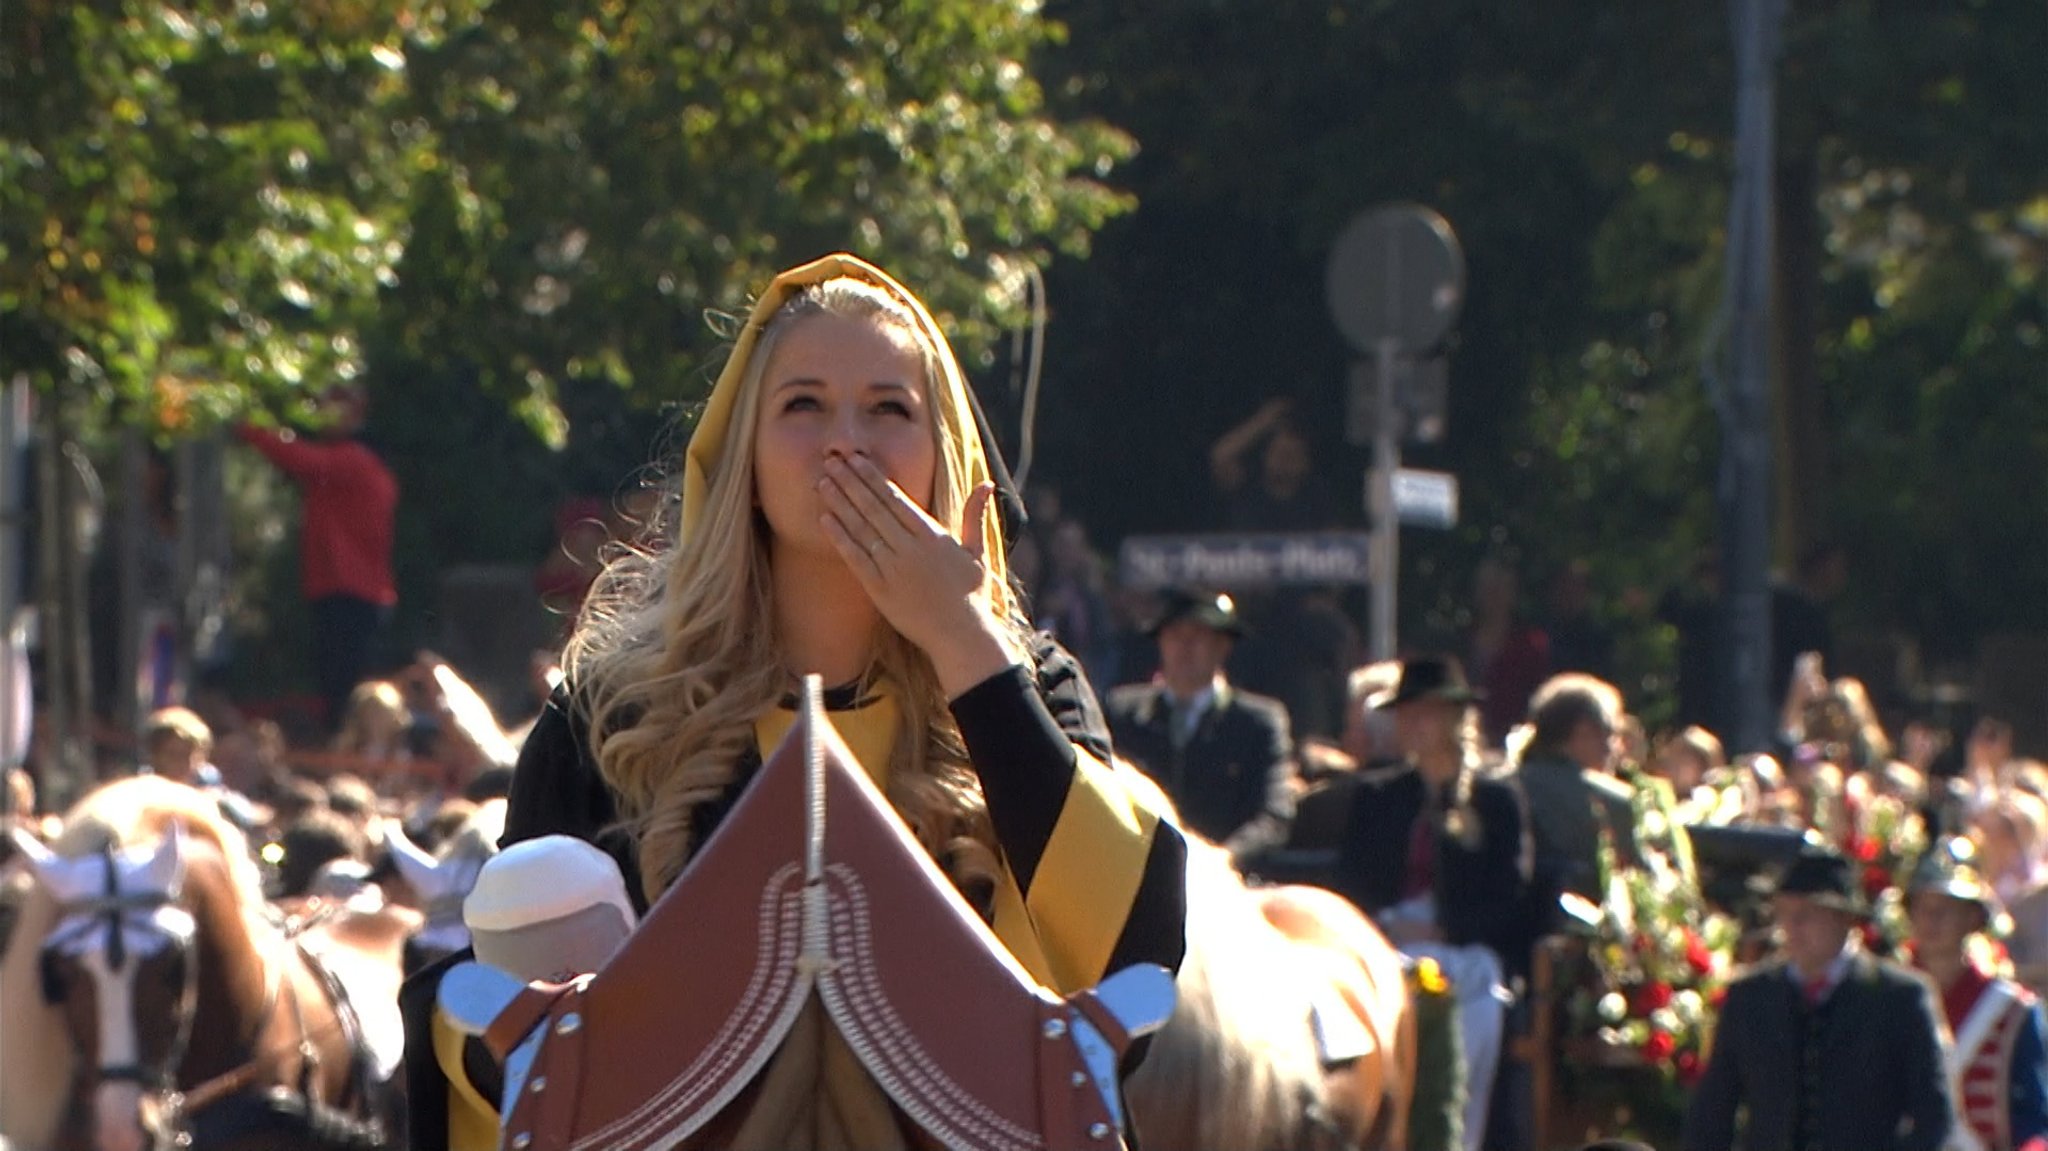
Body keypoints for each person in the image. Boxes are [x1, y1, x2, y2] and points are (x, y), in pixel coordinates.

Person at [397, 254, 1188, 1151]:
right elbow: (506, 1021)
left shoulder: (1028, 686)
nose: (844, 442)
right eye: (803, 405)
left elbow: (1132, 952)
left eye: (890, 408)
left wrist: (962, 640)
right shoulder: (612, 714)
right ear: (746, 454)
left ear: (945, 455)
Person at [1329, 655, 1533, 1151]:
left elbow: (1510, 897)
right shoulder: (1379, 795)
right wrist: (1384, 927)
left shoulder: (1495, 798)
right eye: (1407, 713)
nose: (1414, 724)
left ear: (1454, 719)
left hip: (1466, 948)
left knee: (1477, 994)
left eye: (1427, 712)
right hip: (1385, 940)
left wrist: (1444, 930)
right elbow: (1352, 883)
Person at [1682, 844, 1953, 1151]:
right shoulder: (1750, 997)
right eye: (1785, 913)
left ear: (1845, 920)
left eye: (1806, 915)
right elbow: (1713, 1111)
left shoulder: (1900, 998)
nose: (1792, 928)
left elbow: (1934, 1118)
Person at [235, 383, 399, 731]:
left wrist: (246, 424)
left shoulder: (354, 460)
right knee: (335, 679)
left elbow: (299, 458)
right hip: (343, 586)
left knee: (343, 683)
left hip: (351, 588)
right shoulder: (360, 459)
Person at [1106, 590, 1296, 864]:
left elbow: (1273, 816)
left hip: (1227, 879)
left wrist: (1221, 860)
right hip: (1138, 872)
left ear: (1222, 646)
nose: (1184, 647)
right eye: (1174, 635)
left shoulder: (1257, 722)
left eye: (1197, 636)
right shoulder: (1123, 714)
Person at [1904, 840, 2048, 1151]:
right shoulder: (1884, 1000)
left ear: (1972, 919)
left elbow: (2034, 1117)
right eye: (1924, 909)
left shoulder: (2012, 1010)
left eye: (1945, 910)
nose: (1932, 920)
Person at [1512, 672, 1641, 902]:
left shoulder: (1499, 789)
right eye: (1611, 734)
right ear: (1584, 732)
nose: (1615, 749)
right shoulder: (1614, 803)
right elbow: (1641, 883)